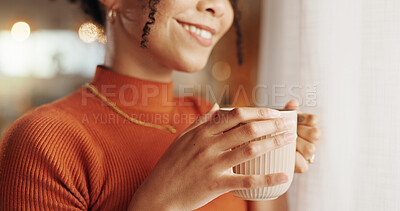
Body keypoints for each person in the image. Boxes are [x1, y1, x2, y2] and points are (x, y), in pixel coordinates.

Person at [0, 0, 321, 210]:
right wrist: (160, 203)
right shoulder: (41, 141)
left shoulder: (216, 123)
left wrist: (269, 172)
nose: (217, 7)